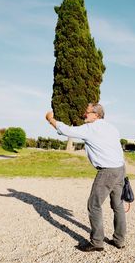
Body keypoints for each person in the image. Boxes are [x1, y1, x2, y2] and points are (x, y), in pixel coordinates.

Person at [45, 103, 126, 252]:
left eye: (87, 112)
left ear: (96, 115)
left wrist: (51, 120)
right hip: (120, 169)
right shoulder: (112, 128)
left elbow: (66, 130)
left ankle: (96, 242)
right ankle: (119, 240)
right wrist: (123, 175)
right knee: (118, 205)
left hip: (107, 171)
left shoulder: (90, 128)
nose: (84, 114)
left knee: (94, 205)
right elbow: (117, 149)